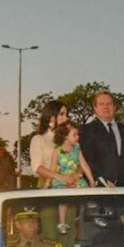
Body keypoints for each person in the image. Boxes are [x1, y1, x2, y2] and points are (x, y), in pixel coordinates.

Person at [79, 91, 124, 186]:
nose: (105, 107)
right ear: (95, 108)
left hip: (123, 190)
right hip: (98, 189)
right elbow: (87, 160)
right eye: (101, 104)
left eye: (109, 104)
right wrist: (101, 180)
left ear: (115, 107)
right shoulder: (86, 131)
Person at [30, 100, 71, 238]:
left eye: (67, 114)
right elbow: (37, 167)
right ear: (51, 117)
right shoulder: (39, 139)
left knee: (68, 230)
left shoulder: (70, 140)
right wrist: (58, 177)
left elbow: (79, 160)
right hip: (47, 186)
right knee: (50, 232)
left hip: (68, 187)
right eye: (62, 114)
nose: (66, 118)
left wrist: (76, 175)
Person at [47, 121, 97, 234]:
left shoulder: (77, 148)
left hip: (76, 178)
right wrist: (47, 184)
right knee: (63, 198)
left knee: (87, 191)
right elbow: (52, 169)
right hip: (61, 179)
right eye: (74, 134)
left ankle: (94, 215)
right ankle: (62, 222)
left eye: (78, 134)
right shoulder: (57, 151)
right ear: (65, 136)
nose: (77, 137)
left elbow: (83, 164)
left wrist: (91, 180)